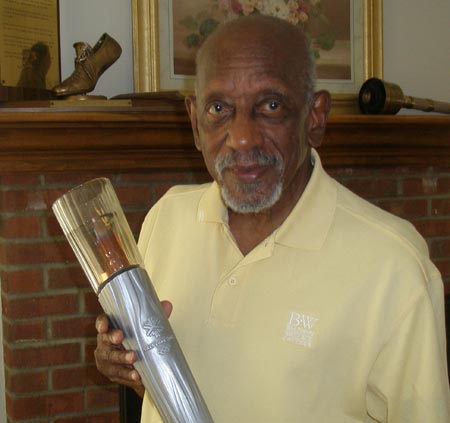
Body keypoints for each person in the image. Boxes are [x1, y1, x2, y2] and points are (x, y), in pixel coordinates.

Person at [95, 15, 450, 422]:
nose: (242, 137)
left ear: (314, 116)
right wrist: (125, 360)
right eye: (218, 108)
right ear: (195, 122)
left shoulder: (395, 266)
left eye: (271, 105)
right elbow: (170, 379)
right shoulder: (167, 219)